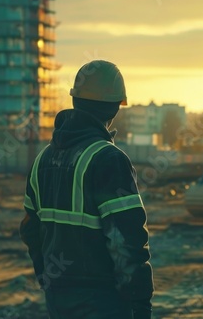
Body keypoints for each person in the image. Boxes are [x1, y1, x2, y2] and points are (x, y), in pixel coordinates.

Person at [20, 60, 154, 318]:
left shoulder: (43, 160)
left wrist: (48, 278)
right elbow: (126, 242)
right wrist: (139, 304)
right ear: (116, 106)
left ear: (75, 101)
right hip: (103, 303)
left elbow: (30, 229)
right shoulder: (108, 159)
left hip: (58, 300)